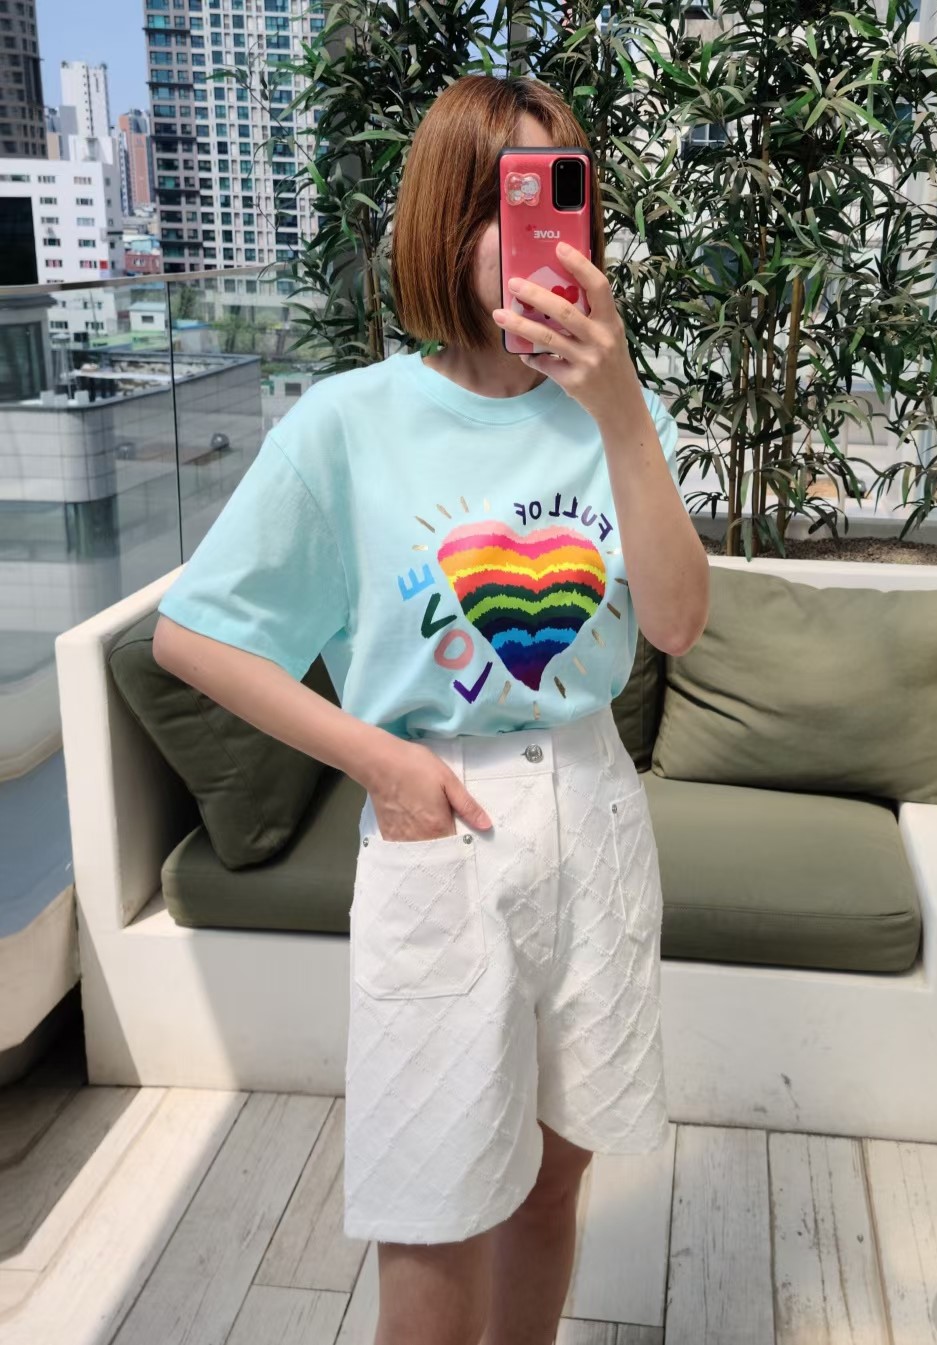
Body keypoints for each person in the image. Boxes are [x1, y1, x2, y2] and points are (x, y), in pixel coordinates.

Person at [154, 72, 709, 1345]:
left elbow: (676, 623)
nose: (534, 232)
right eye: (502, 199)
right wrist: (379, 762)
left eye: (556, 195)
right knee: (434, 1196)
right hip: (440, 818)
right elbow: (194, 635)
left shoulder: (621, 415)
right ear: (444, 219)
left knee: (556, 1169)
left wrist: (621, 404)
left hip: (593, 807)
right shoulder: (352, 423)